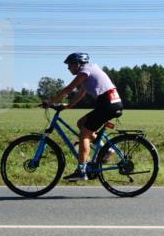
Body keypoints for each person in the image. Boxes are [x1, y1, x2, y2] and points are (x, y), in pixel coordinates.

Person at [45, 53, 123, 182]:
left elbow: (68, 89)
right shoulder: (89, 72)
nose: (68, 68)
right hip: (110, 103)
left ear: (78, 64)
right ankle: (107, 150)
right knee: (81, 123)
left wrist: (50, 102)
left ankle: (81, 171)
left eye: (70, 64)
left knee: (84, 135)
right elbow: (81, 94)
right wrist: (69, 105)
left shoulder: (85, 70)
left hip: (108, 104)